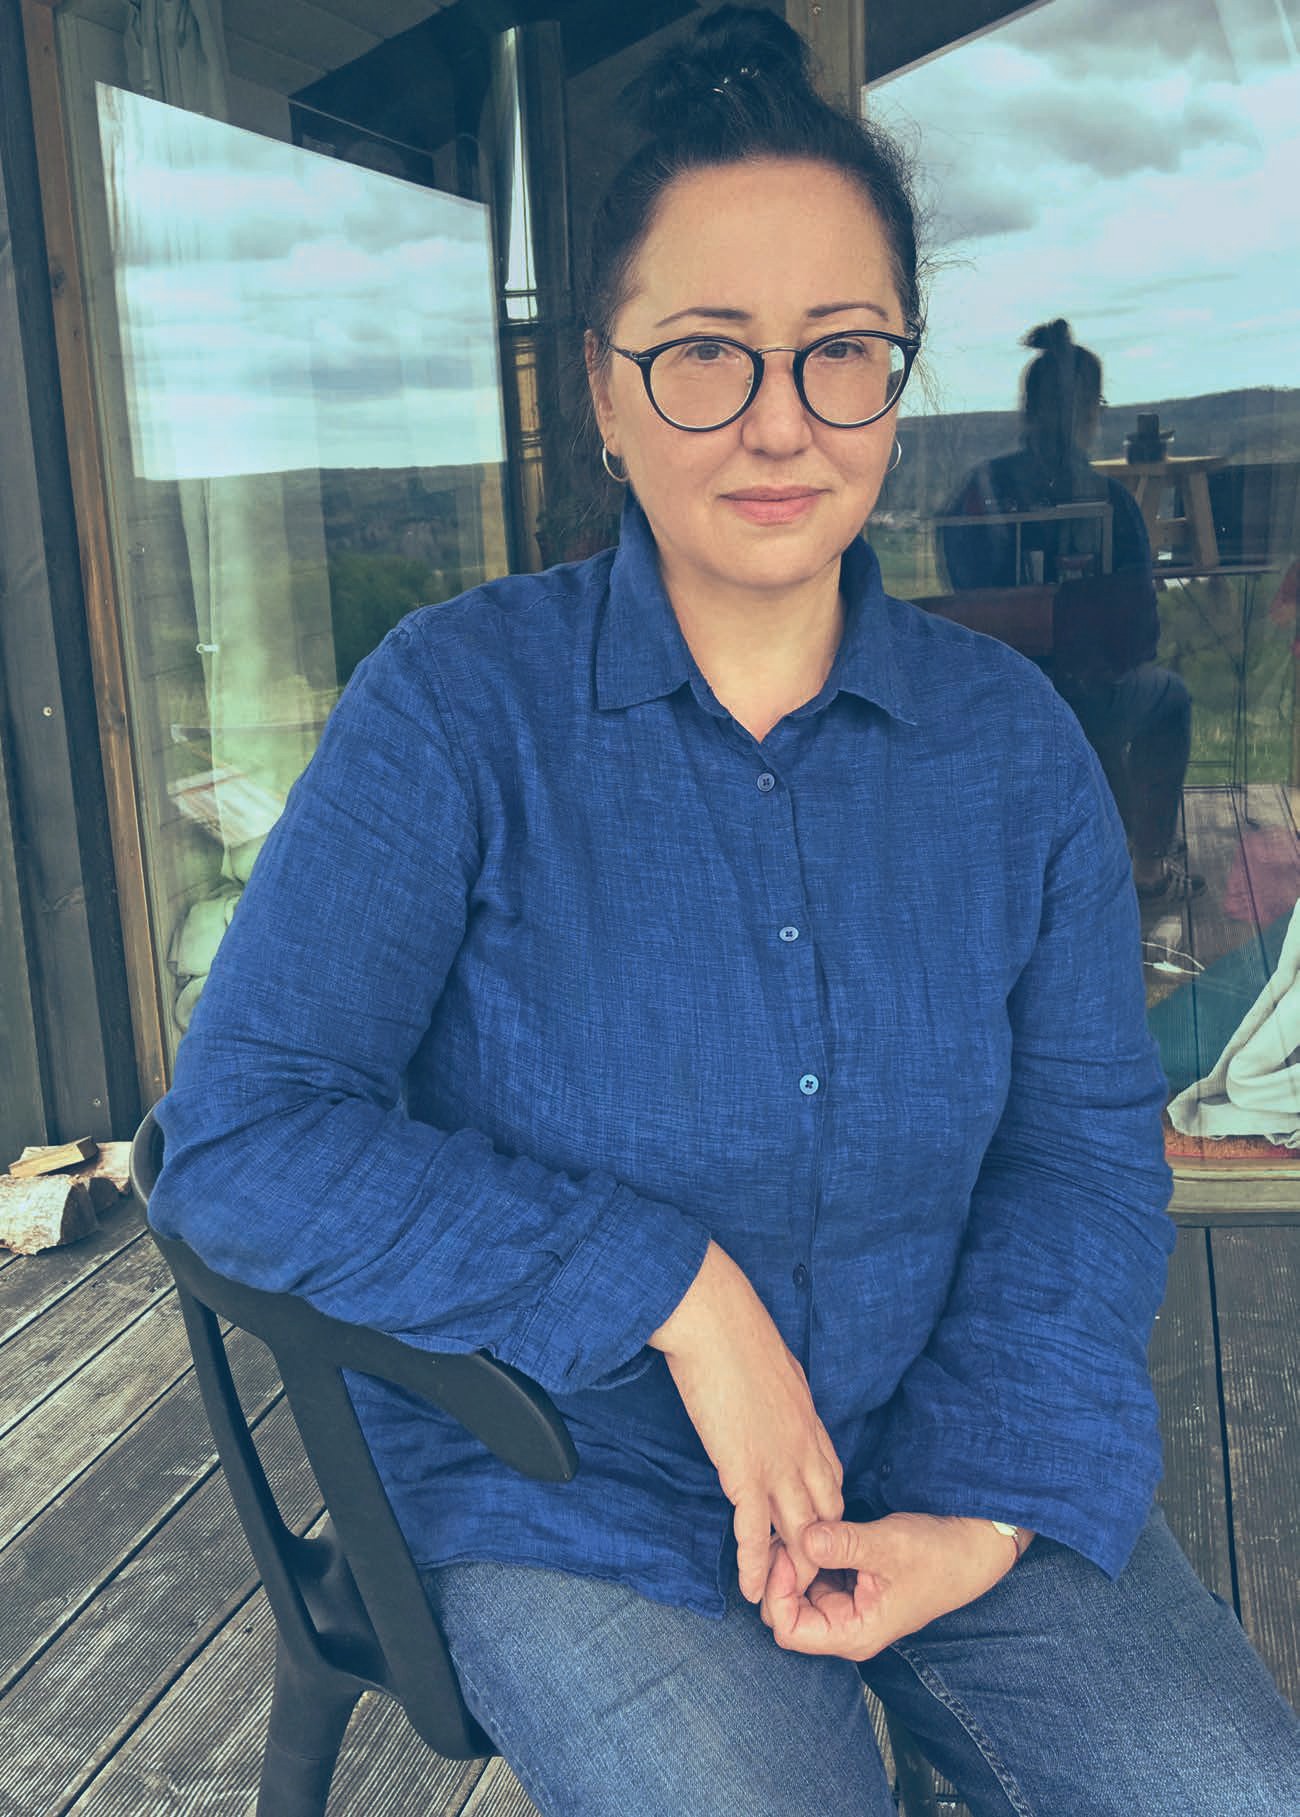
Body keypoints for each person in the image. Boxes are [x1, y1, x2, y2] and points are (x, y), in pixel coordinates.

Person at [148, 9, 1300, 1813]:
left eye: (840, 351)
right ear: (603, 393)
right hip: (572, 1478)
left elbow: (1078, 1154)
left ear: (898, 381)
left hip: (948, 1432)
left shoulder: (1011, 749)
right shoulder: (456, 710)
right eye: (703, 353)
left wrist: (987, 1502)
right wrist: (673, 1289)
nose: (779, 421)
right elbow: (240, 1137)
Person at [940, 319, 1203, 901]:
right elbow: (1139, 635)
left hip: (992, 696)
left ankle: (1102, 840)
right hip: (1081, 696)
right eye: (1095, 406)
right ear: (1088, 412)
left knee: (1083, 710)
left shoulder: (978, 490)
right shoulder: (1109, 499)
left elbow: (955, 597)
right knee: (1168, 698)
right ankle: (1147, 864)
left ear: (1027, 410)